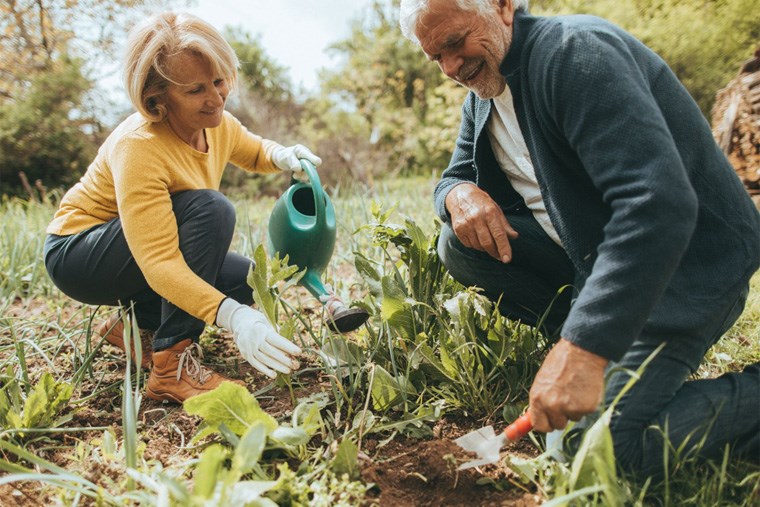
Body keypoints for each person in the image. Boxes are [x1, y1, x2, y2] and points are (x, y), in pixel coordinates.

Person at [399, 0, 760, 478]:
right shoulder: (484, 96)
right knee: (457, 242)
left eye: (454, 43)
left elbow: (656, 205)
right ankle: (595, 349)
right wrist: (457, 193)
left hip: (682, 270)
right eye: (435, 58)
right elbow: (453, 175)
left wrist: (584, 346)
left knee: (588, 446)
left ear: (504, 6)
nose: (450, 67)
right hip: (593, 264)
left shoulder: (575, 55)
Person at [44, 12, 320, 403]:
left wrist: (284, 156)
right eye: (195, 91)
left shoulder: (215, 122)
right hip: (80, 254)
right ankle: (171, 366)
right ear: (157, 97)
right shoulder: (139, 146)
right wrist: (232, 317)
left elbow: (253, 150)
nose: (216, 98)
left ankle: (134, 327)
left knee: (244, 279)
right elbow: (158, 262)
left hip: (130, 252)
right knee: (211, 209)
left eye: (219, 81)